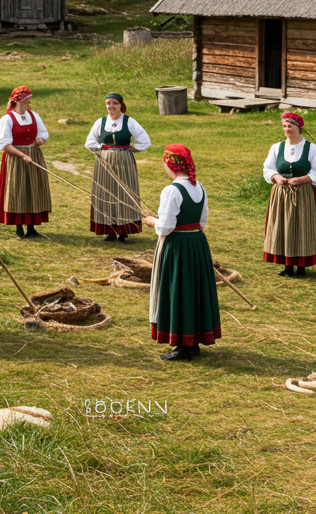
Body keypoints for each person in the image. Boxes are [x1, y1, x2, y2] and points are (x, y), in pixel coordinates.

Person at [143, 144, 221, 362]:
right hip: (197, 244)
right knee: (194, 291)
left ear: (171, 165)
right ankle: (193, 341)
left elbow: (165, 227)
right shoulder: (200, 187)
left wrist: (151, 221)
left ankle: (183, 345)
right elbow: (202, 222)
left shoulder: (172, 190)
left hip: (177, 247)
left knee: (178, 291)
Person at [262, 111, 316, 277]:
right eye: (284, 126)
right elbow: (268, 168)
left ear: (299, 127)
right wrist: (276, 176)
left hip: (303, 194)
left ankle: (302, 267)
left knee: (303, 227)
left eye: (289, 126)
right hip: (281, 194)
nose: (286, 129)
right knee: (283, 227)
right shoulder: (276, 147)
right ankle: (287, 266)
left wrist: (302, 179)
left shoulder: (311, 148)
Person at [84, 92, 151, 241]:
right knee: (105, 193)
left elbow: (145, 140)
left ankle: (123, 230)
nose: (111, 106)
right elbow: (89, 142)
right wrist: (101, 147)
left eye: (114, 103)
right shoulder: (100, 122)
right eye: (108, 103)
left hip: (124, 161)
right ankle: (109, 230)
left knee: (125, 193)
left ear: (121, 105)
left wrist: (135, 148)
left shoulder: (129, 121)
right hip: (104, 162)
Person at [0, 85, 51, 238]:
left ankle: (31, 228)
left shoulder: (33, 115)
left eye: (29, 100)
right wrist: (22, 155)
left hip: (34, 154)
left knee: (33, 189)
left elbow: (43, 133)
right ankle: (19, 229)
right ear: (18, 101)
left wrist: (40, 141)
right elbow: (5, 145)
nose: (29, 103)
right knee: (18, 191)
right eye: (27, 100)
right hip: (16, 160)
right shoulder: (7, 119)